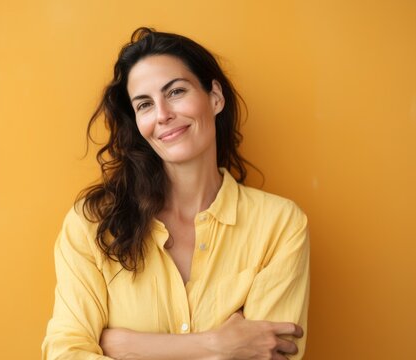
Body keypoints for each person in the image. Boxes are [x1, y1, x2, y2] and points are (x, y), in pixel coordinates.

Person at [42, 27, 310, 360]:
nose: (162, 115)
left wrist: (124, 346)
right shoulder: (92, 223)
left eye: (176, 91)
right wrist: (215, 346)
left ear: (215, 97)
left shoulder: (280, 226)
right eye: (144, 105)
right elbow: (66, 353)